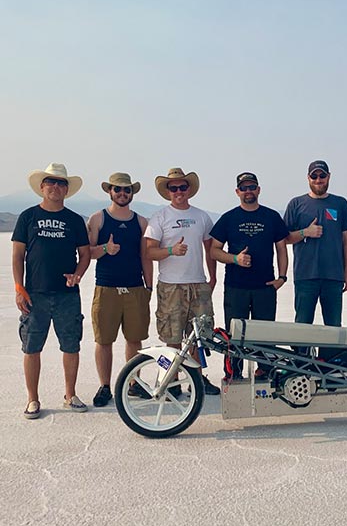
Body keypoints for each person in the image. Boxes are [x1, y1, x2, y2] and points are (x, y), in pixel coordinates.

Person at [12, 163, 91, 418]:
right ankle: (33, 399)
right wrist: (18, 287)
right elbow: (17, 255)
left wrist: (78, 274)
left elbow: (85, 254)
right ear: (42, 187)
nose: (56, 187)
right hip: (35, 294)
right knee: (32, 346)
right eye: (51, 182)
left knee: (71, 345)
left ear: (67, 190)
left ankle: (70, 394)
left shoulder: (75, 220)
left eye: (61, 183)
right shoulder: (28, 217)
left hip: (67, 294)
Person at [145, 167, 220, 395]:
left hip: (198, 283)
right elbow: (149, 251)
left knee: (199, 336)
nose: (178, 191)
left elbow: (210, 249)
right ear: (168, 191)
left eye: (182, 187)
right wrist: (171, 250)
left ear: (189, 189)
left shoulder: (201, 216)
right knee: (172, 337)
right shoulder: (160, 217)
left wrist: (213, 276)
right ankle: (169, 380)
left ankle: (197, 379)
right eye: (173, 187)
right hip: (171, 286)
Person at [210, 172, 289, 378]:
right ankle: (233, 373)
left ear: (259, 189)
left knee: (264, 334)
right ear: (237, 192)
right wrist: (235, 259)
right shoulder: (228, 218)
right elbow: (214, 250)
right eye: (244, 188)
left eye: (252, 187)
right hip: (237, 287)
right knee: (234, 334)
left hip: (265, 286)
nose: (248, 191)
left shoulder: (271, 217)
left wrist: (282, 277)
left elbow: (281, 248)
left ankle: (265, 371)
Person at [87, 173, 153, 406]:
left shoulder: (141, 222)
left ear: (132, 193)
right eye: (118, 189)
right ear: (110, 191)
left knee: (134, 340)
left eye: (127, 190)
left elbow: (146, 256)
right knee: (104, 340)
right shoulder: (98, 219)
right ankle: (105, 386)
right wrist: (106, 248)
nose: (122, 194)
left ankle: (134, 383)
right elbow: (88, 252)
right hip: (106, 288)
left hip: (135, 288)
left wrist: (149, 286)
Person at [284, 160, 347, 327]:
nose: (318, 179)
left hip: (333, 276)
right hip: (306, 276)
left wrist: (346, 272)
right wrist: (305, 232)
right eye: (314, 176)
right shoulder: (296, 204)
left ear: (328, 177)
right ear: (308, 178)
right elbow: (285, 238)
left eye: (322, 175)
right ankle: (302, 353)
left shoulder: (340, 203)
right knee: (303, 325)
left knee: (334, 326)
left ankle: (330, 354)